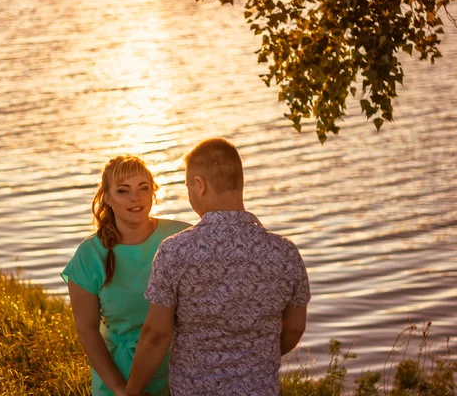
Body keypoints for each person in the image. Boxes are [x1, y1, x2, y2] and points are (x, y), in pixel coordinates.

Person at [126, 138, 311, 396]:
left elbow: (157, 335)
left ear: (199, 185)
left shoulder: (175, 251)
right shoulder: (285, 253)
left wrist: (131, 391)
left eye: (189, 187)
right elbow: (294, 328)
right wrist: (256, 356)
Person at [61, 155, 191, 396]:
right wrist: (122, 391)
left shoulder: (181, 237)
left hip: (181, 374)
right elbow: (87, 331)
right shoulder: (89, 255)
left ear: (153, 192)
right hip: (119, 376)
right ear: (107, 197)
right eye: (123, 191)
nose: (136, 198)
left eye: (143, 188)